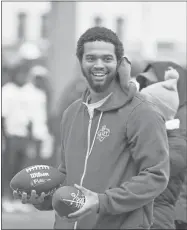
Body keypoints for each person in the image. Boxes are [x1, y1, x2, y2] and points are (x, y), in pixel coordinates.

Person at [14, 27, 169, 229]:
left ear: (119, 62)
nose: (98, 65)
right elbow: (67, 175)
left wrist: (101, 201)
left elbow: (156, 176)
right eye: (91, 58)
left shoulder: (142, 113)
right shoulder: (71, 113)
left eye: (107, 58)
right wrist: (43, 197)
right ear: (80, 62)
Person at [134, 61, 187, 229]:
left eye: (152, 81)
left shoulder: (177, 127)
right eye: (146, 82)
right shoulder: (152, 128)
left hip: (172, 214)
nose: (148, 84)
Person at [2, 62, 32, 213]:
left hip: (23, 135)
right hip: (11, 136)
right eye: (20, 73)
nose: (22, 77)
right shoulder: (7, 91)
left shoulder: (26, 91)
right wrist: (4, 137)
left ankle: (17, 200)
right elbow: (3, 116)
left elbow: (29, 116)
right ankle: (6, 199)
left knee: (21, 171)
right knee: (9, 169)